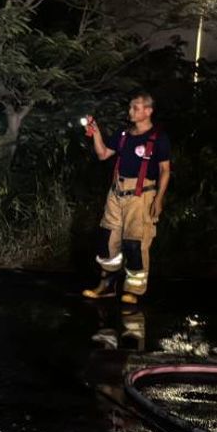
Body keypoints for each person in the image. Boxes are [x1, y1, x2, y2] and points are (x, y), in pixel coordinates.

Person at [82, 92, 171, 305]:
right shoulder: (123, 135)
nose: (130, 111)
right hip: (116, 192)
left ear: (148, 111)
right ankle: (107, 285)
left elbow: (165, 170)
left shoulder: (158, 138)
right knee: (107, 240)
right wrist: (95, 133)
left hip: (141, 196)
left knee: (135, 243)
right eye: (130, 107)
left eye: (136, 108)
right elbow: (103, 154)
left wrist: (159, 199)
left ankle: (134, 289)